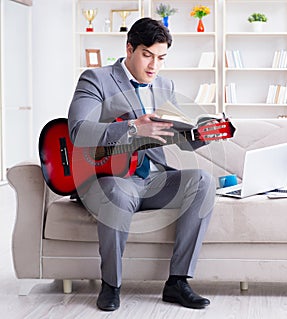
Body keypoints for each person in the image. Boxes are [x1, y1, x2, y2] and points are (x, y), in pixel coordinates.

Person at [68, 17, 216, 312]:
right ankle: (111, 285)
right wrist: (133, 128)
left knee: (203, 180)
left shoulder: (165, 85)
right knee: (117, 195)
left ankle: (177, 282)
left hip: (154, 180)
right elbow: (78, 130)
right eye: (147, 55)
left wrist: (201, 135)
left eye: (161, 58)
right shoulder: (96, 79)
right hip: (113, 179)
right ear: (129, 48)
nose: (154, 65)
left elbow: (175, 137)